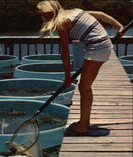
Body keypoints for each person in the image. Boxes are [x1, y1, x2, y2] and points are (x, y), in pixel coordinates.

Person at [37, 0, 124, 135]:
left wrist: (67, 77)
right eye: (43, 15)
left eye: (48, 15)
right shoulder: (75, 11)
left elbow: (65, 52)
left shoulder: (62, 23)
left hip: (97, 47)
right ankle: (85, 121)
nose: (45, 18)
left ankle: (83, 126)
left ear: (55, 11)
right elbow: (100, 14)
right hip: (99, 45)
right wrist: (119, 26)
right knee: (84, 86)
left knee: (84, 86)